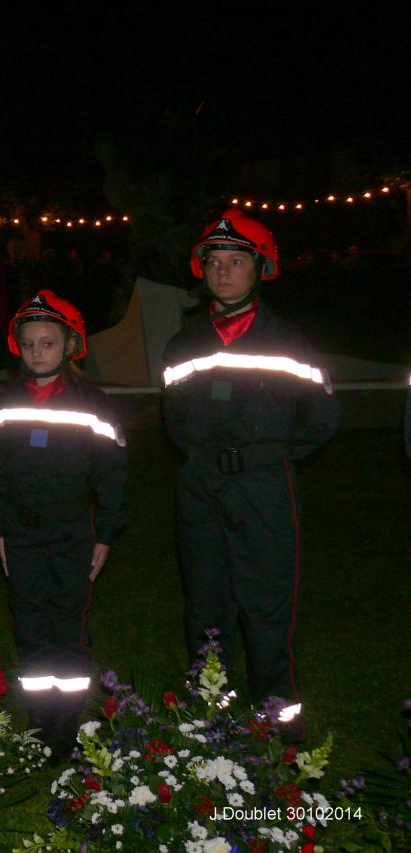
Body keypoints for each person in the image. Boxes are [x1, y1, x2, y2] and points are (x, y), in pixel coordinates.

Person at [162, 209, 339, 737]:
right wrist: (206, 462)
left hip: (263, 486)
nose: (223, 272)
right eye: (214, 262)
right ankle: (211, 710)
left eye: (236, 261)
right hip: (200, 486)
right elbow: (173, 418)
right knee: (206, 600)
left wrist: (270, 456)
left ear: (261, 268)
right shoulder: (184, 343)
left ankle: (277, 718)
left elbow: (322, 415)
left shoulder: (288, 339)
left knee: (266, 601)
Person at [0, 290, 126, 755]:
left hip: (72, 532)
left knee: (68, 623)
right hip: (21, 534)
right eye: (28, 344)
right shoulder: (4, 402)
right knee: (29, 623)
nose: (37, 352)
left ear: (69, 345)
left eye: (47, 343)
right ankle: (41, 720)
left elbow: (111, 473)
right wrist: (0, 530)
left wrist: (104, 533)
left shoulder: (93, 403)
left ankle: (67, 721)